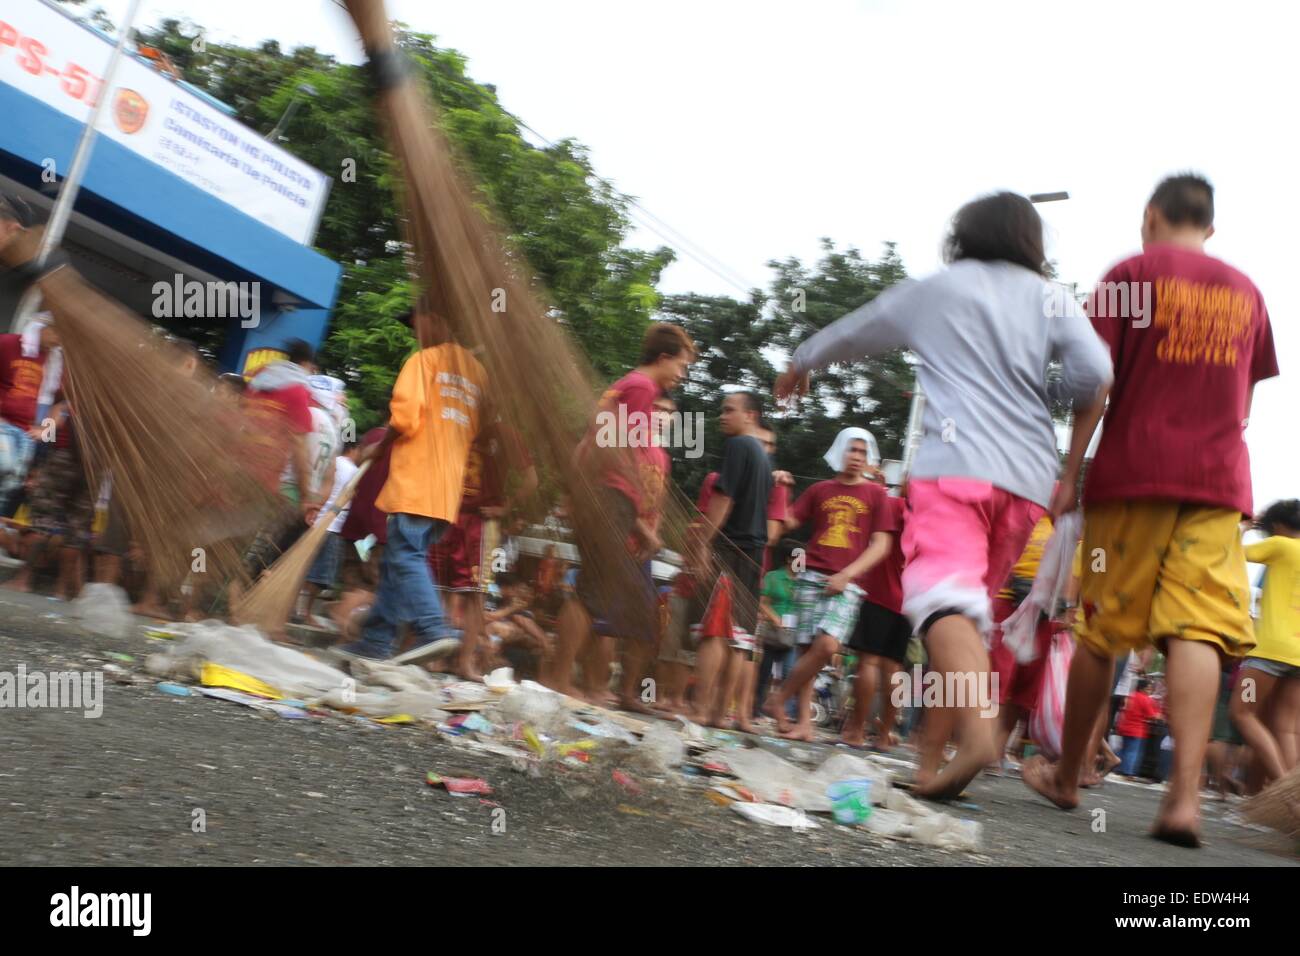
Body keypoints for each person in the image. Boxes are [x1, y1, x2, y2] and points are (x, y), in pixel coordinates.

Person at [779, 191, 1112, 795]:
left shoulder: (935, 289)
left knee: (943, 607)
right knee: (960, 623)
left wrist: (801, 362)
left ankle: (980, 737)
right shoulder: (1052, 299)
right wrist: (1069, 471)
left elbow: (855, 332)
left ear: (963, 236)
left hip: (954, 473)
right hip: (1026, 487)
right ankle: (933, 769)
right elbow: (1097, 378)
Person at [1023, 174, 1279, 847]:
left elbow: (1094, 387)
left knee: (1103, 630)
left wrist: (1070, 471)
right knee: (1195, 630)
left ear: (1151, 216)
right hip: (1218, 485)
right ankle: (1184, 800)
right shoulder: (1248, 293)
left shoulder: (1130, 276)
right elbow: (1245, 407)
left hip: (1133, 476)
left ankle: (1068, 775)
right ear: (1210, 228)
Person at [553, 323, 695, 702]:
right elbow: (606, 445)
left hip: (608, 497)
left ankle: (572, 680)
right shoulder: (642, 387)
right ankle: (558, 678)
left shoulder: (628, 386)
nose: (681, 375)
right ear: (663, 358)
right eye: (681, 366)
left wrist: (576, 492)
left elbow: (589, 442)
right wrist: (593, 495)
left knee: (593, 593)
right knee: (589, 593)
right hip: (611, 497)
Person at [336, 310, 487, 663]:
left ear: (437, 319)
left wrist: (378, 445)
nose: (415, 331)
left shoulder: (424, 361)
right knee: (394, 561)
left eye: (417, 322)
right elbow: (473, 428)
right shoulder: (476, 374)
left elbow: (404, 419)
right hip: (446, 488)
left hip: (418, 480)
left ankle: (433, 628)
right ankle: (376, 640)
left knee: (405, 555)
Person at [763, 429, 895, 742]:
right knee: (809, 651)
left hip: (847, 583)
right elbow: (789, 523)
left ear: (869, 458)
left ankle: (778, 699)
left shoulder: (877, 495)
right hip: (810, 576)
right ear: (840, 452)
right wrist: (782, 488)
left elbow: (881, 545)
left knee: (828, 646)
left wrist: (847, 575)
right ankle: (804, 724)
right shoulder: (820, 489)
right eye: (852, 450)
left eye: (863, 452)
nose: (857, 457)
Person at [428, 417, 536, 680]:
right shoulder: (456, 421)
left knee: (474, 591)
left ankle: (465, 662)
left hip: (480, 521)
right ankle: (434, 655)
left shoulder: (506, 433)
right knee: (438, 583)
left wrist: (506, 508)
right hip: (445, 514)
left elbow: (531, 479)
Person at [692, 391, 773, 728]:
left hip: (730, 548)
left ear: (750, 415)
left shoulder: (739, 447)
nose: (722, 416)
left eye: (729, 411)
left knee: (714, 632)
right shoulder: (764, 457)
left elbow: (723, 501)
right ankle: (720, 714)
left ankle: (699, 710)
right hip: (754, 553)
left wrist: (701, 544)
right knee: (739, 638)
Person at [1230, 498, 1300, 784]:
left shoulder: (1281, 545)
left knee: (1242, 713)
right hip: (1298, 656)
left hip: (1269, 653)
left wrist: (1245, 526)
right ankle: (1294, 798)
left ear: (1278, 527)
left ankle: (1285, 794)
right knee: (1287, 729)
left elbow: (1231, 551)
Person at [842, 487, 909, 750]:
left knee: (868, 662)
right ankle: (884, 735)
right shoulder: (931, 516)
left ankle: (856, 731)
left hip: (880, 594)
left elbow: (877, 541)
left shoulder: (893, 505)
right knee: (894, 668)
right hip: (910, 600)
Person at [0, 316, 61, 519]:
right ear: (42, 326)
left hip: (29, 436)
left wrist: (46, 431)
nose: (59, 340)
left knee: (12, 488)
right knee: (5, 464)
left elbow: (64, 404)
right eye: (57, 332)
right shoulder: (8, 344)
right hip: (4, 427)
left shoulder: (57, 363)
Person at [301, 439, 362, 628]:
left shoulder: (334, 462)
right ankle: (307, 613)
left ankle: (298, 611)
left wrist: (314, 510)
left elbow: (324, 492)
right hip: (333, 527)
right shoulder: (354, 471)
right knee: (320, 577)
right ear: (355, 450)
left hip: (320, 523)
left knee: (306, 570)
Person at [1114, 679, 1162, 778]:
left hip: (1125, 726)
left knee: (1124, 749)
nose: (1150, 691)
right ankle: (1128, 772)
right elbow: (1152, 715)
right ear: (1142, 688)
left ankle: (1117, 768)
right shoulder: (1145, 699)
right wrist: (1160, 716)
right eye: (1148, 688)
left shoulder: (1130, 696)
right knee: (1133, 752)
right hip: (1137, 729)